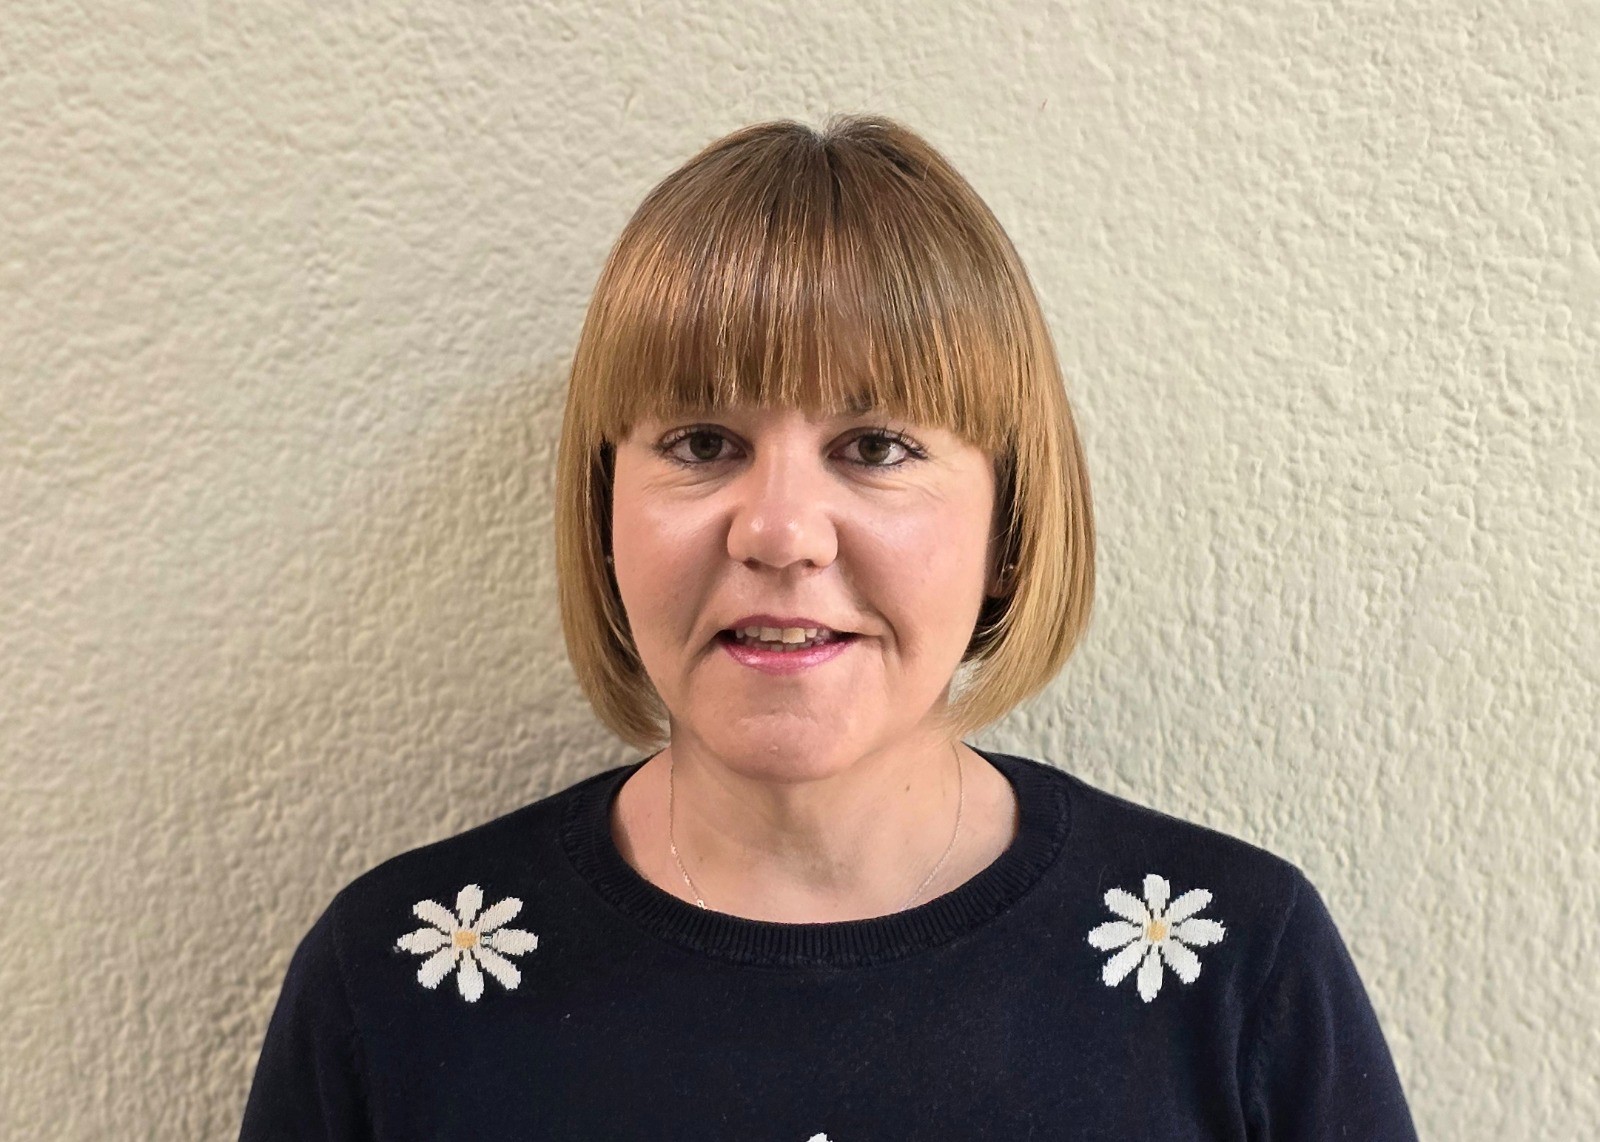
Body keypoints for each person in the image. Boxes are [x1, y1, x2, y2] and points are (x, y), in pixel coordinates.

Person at [238, 115, 1418, 1140]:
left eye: (876, 446)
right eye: (703, 442)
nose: (781, 531)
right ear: (602, 511)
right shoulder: (398, 984)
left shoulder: (1231, 968)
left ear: (1010, 520)